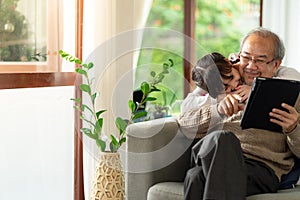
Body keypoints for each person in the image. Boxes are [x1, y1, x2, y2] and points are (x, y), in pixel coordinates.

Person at [179, 27, 300, 200]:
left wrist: (293, 128)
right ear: (237, 56)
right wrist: (218, 110)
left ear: (276, 64)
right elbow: (185, 123)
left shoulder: (290, 92)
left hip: (261, 168)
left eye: (260, 60)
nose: (251, 66)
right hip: (214, 156)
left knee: (195, 177)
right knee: (221, 139)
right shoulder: (224, 83)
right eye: (246, 57)